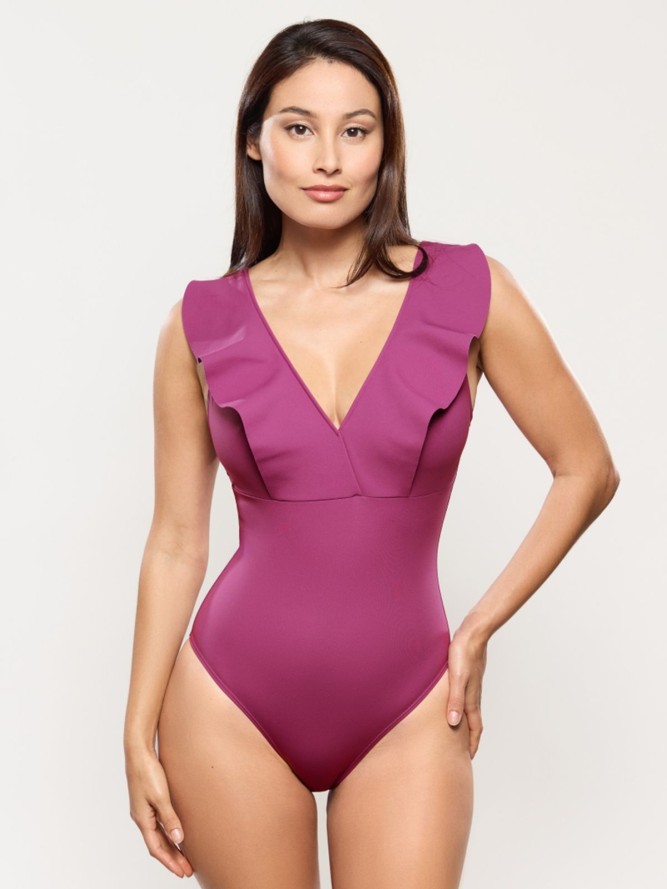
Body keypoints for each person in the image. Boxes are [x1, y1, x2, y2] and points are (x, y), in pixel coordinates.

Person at [123, 17, 620, 889]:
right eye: (298, 127)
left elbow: (586, 469)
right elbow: (175, 540)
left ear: (386, 146)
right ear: (254, 140)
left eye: (355, 130)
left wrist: (478, 626)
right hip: (229, 702)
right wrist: (135, 729)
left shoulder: (470, 288)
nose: (327, 159)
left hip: (412, 701)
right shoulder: (197, 323)